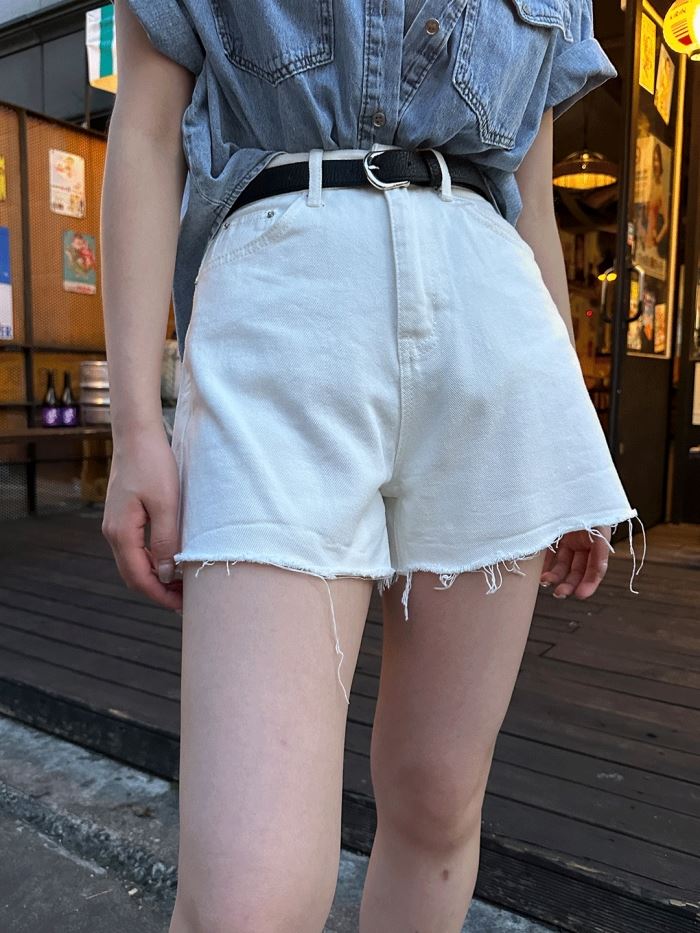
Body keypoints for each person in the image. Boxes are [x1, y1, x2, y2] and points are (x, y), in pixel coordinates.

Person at [101, 2, 646, 930]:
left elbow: (530, 195)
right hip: (282, 313)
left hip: (494, 328)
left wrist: (571, 446)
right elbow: (147, 129)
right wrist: (134, 429)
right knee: (245, 899)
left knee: (439, 801)